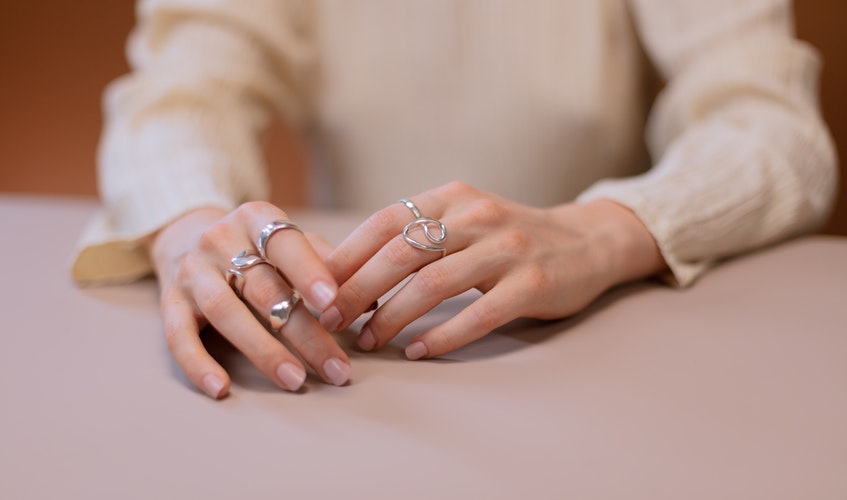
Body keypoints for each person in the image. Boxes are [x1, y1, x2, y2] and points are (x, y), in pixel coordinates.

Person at [72, 0, 837, 399]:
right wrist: (191, 225)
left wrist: (603, 231)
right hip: (360, 349)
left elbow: (774, 128)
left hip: (610, 345)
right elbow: (175, 97)